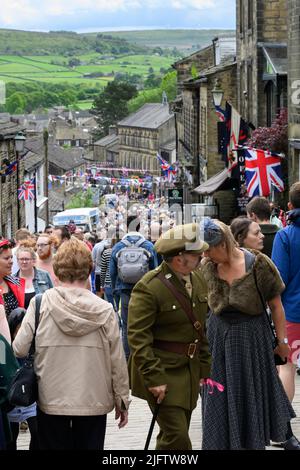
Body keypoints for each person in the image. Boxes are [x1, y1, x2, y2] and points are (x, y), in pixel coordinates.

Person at [13, 238, 129, 450]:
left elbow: (19, 348)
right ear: (88, 270)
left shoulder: (40, 303)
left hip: (52, 397)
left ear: (57, 271)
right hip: (93, 399)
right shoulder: (104, 309)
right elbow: (117, 360)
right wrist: (122, 401)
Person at [200, 218, 298, 450]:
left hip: (251, 339)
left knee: (249, 397)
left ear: (223, 244)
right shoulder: (207, 267)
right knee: (217, 396)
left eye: (208, 251)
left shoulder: (258, 264)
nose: (205, 256)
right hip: (218, 339)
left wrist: (282, 342)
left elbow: (276, 306)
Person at [128, 223, 211, 450]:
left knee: (173, 434)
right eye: (196, 254)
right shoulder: (149, 287)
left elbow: (200, 328)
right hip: (161, 370)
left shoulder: (198, 279)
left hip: (189, 371)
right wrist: (154, 378)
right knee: (178, 437)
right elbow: (138, 337)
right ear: (179, 258)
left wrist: (204, 368)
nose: (202, 257)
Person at [110, 215, 157, 360]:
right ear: (139, 226)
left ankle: (129, 358)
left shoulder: (118, 246)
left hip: (125, 291)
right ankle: (145, 356)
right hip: (145, 292)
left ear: (126, 226)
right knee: (147, 324)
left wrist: (115, 292)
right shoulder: (148, 245)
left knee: (126, 326)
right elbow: (155, 269)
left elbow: (112, 273)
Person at [272, 182, 300, 403]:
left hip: (293, 311)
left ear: (290, 205)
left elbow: (278, 278)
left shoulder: (285, 236)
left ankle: (283, 427)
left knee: (288, 366)